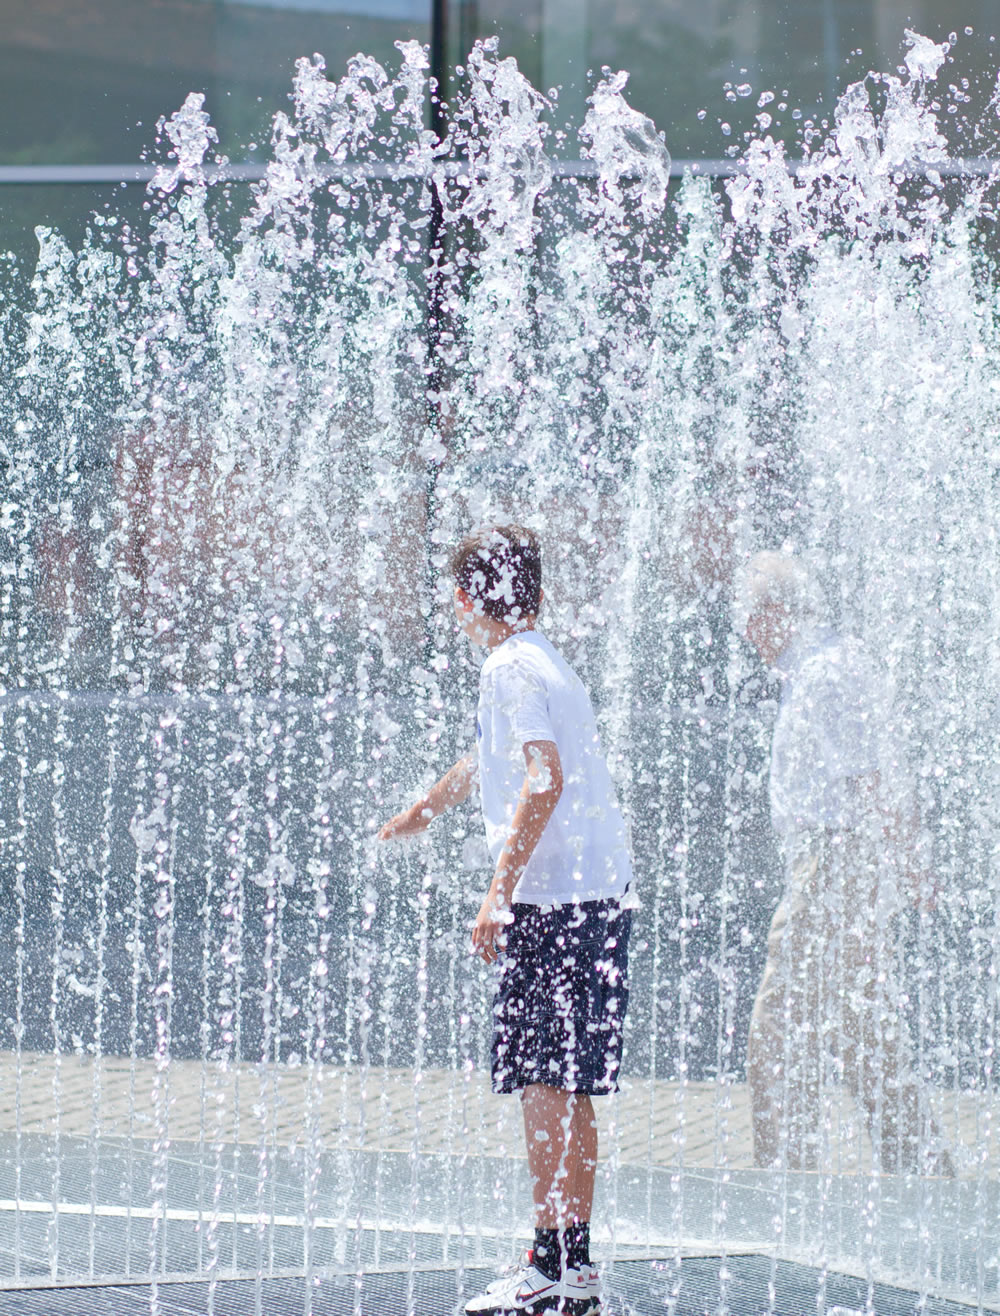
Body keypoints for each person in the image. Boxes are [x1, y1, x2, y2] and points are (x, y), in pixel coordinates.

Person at [379, 524, 633, 1316]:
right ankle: (573, 1269)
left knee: (542, 1085)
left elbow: (543, 778)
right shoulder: (542, 661)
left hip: (553, 906)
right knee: (568, 1082)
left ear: (462, 601)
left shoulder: (507, 666)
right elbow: (495, 758)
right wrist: (429, 805)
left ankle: (548, 1270)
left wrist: (498, 891)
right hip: (598, 898)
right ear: (537, 595)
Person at [740, 550, 952, 1175]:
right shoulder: (820, 667)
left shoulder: (827, 671)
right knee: (863, 1030)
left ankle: (785, 1184)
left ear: (779, 611)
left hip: (830, 864)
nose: (747, 630)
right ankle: (925, 1172)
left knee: (776, 1029)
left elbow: (870, 779)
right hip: (838, 863)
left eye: (753, 614)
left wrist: (911, 862)